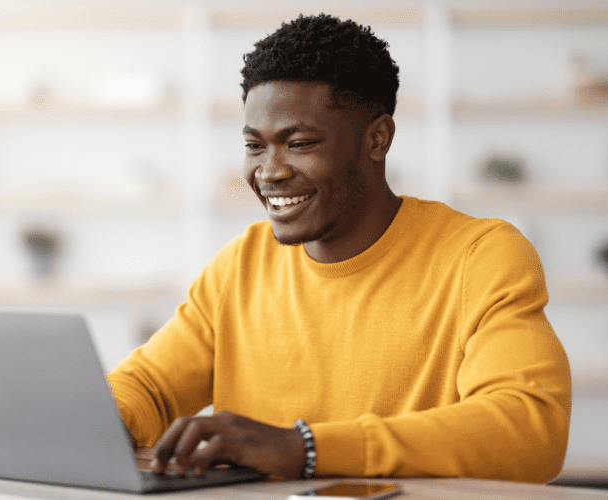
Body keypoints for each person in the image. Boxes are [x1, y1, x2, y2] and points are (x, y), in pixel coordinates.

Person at [107, 13, 571, 483]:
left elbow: (529, 430)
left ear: (377, 139)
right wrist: (102, 421)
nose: (269, 172)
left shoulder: (480, 256)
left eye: (300, 143)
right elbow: (148, 387)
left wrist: (303, 448)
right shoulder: (241, 264)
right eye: (255, 146)